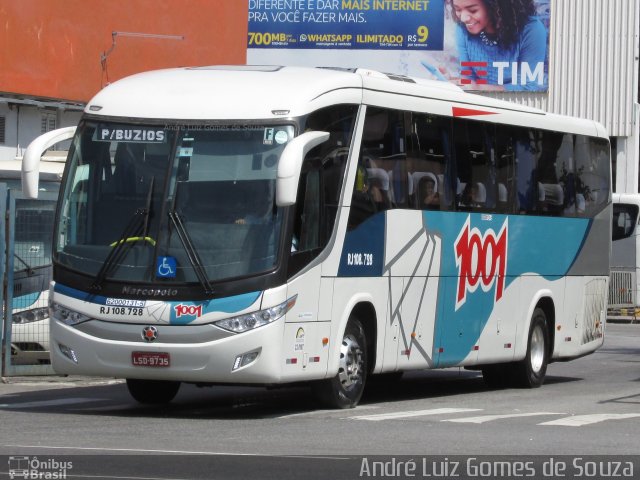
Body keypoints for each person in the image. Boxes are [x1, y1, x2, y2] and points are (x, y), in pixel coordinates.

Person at [445, 0, 547, 91]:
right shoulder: (463, 28)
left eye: (473, 10)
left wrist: (479, 88)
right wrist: (452, 82)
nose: (463, 18)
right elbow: (469, 77)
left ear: (495, 6)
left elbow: (530, 86)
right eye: (457, 9)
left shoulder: (532, 30)